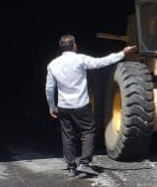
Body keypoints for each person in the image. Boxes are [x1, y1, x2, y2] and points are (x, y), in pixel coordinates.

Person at [46, 34, 137, 177]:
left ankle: (71, 166)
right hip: (80, 105)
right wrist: (122, 53)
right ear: (74, 46)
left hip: (63, 106)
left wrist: (52, 106)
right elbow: (102, 62)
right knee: (88, 131)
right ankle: (84, 162)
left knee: (67, 135)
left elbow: (49, 88)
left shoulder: (52, 64)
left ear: (62, 48)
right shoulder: (81, 60)